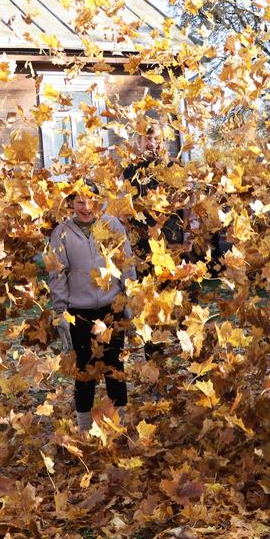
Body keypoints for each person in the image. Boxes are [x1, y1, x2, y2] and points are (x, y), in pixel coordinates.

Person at [47, 181, 136, 433]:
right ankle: (85, 430)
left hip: (111, 306)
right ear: (71, 204)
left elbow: (126, 264)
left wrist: (130, 301)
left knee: (114, 367)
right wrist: (61, 311)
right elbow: (57, 274)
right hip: (80, 311)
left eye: (91, 201)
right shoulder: (62, 232)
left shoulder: (111, 225)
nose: (86, 207)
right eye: (79, 201)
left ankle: (118, 427)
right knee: (84, 370)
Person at [122, 118, 185, 362]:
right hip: (144, 249)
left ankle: (183, 362)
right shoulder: (130, 171)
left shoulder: (172, 167)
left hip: (170, 246)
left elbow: (181, 207)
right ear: (138, 141)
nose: (152, 142)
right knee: (149, 307)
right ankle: (154, 363)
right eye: (147, 138)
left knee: (175, 305)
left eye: (156, 138)